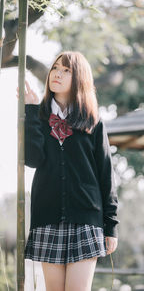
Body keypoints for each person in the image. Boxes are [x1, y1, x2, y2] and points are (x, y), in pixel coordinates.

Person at [16, 51, 120, 291]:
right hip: (47, 218)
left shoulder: (92, 120)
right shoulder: (39, 115)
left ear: (79, 78)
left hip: (86, 220)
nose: (57, 75)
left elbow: (106, 174)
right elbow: (32, 159)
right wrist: (30, 111)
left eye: (66, 71)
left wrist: (110, 225)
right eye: (55, 69)